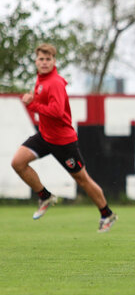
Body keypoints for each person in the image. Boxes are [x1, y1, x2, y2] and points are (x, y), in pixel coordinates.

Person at [11, 43, 118, 233]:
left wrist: (32, 104)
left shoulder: (55, 82)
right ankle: (45, 196)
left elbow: (57, 112)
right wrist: (34, 103)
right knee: (18, 162)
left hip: (62, 141)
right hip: (45, 136)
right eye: (41, 59)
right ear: (36, 61)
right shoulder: (41, 80)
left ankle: (107, 213)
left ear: (54, 61)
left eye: (48, 59)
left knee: (83, 179)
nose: (44, 63)